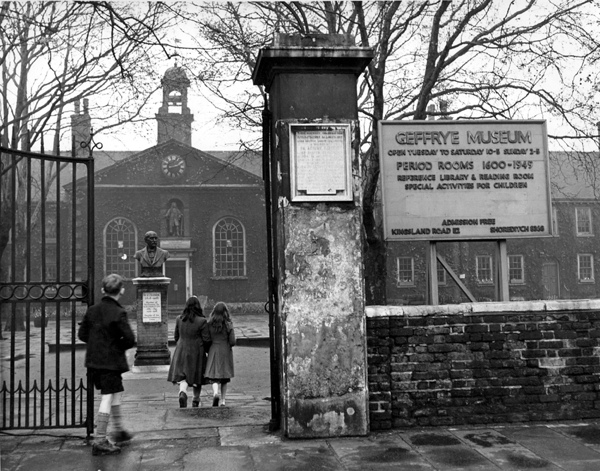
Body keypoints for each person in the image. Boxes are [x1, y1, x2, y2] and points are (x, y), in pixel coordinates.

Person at [78, 274, 135, 456]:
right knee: (107, 398)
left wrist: (97, 342)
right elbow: (129, 339)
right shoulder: (119, 313)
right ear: (122, 291)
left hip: (94, 361)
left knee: (115, 393)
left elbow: (82, 334)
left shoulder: (92, 310)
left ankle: (118, 430)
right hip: (111, 362)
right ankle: (100, 439)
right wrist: (113, 345)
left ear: (103, 290)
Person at [167, 296, 211, 407]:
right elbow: (206, 339)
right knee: (197, 377)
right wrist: (206, 351)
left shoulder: (179, 319)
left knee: (182, 376)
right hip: (197, 351)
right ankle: (196, 400)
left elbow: (176, 336)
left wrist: (181, 345)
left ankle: (182, 392)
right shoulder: (202, 321)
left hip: (181, 350)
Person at [204, 302, 236, 407]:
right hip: (225, 351)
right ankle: (223, 400)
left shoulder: (209, 324)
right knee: (224, 378)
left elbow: (207, 339)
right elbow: (232, 341)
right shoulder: (228, 324)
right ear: (225, 312)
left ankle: (215, 393)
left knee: (214, 376)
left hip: (213, 349)